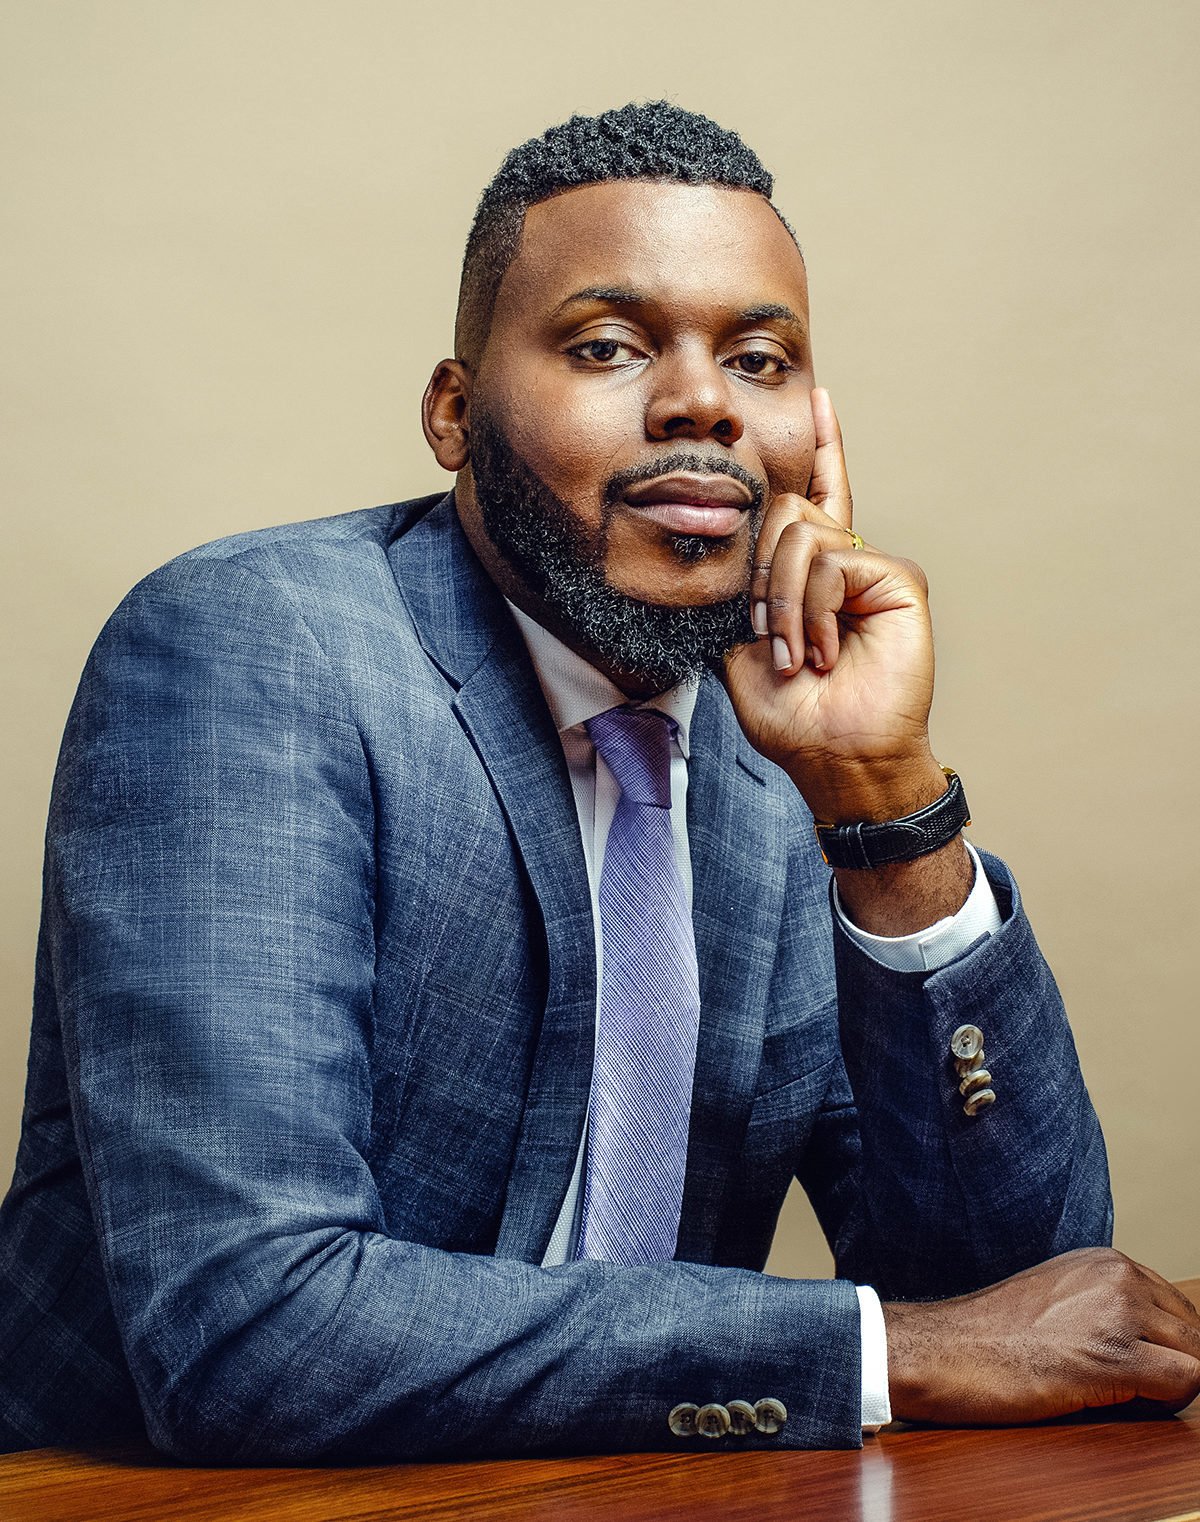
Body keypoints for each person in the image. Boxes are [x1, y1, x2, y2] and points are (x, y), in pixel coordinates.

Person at [1, 102, 1197, 1462]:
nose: (701, 402)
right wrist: (881, 1351)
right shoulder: (258, 650)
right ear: (455, 413)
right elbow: (246, 1328)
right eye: (609, 346)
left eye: (760, 357)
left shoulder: (779, 749)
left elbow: (1033, 1309)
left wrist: (884, 802)